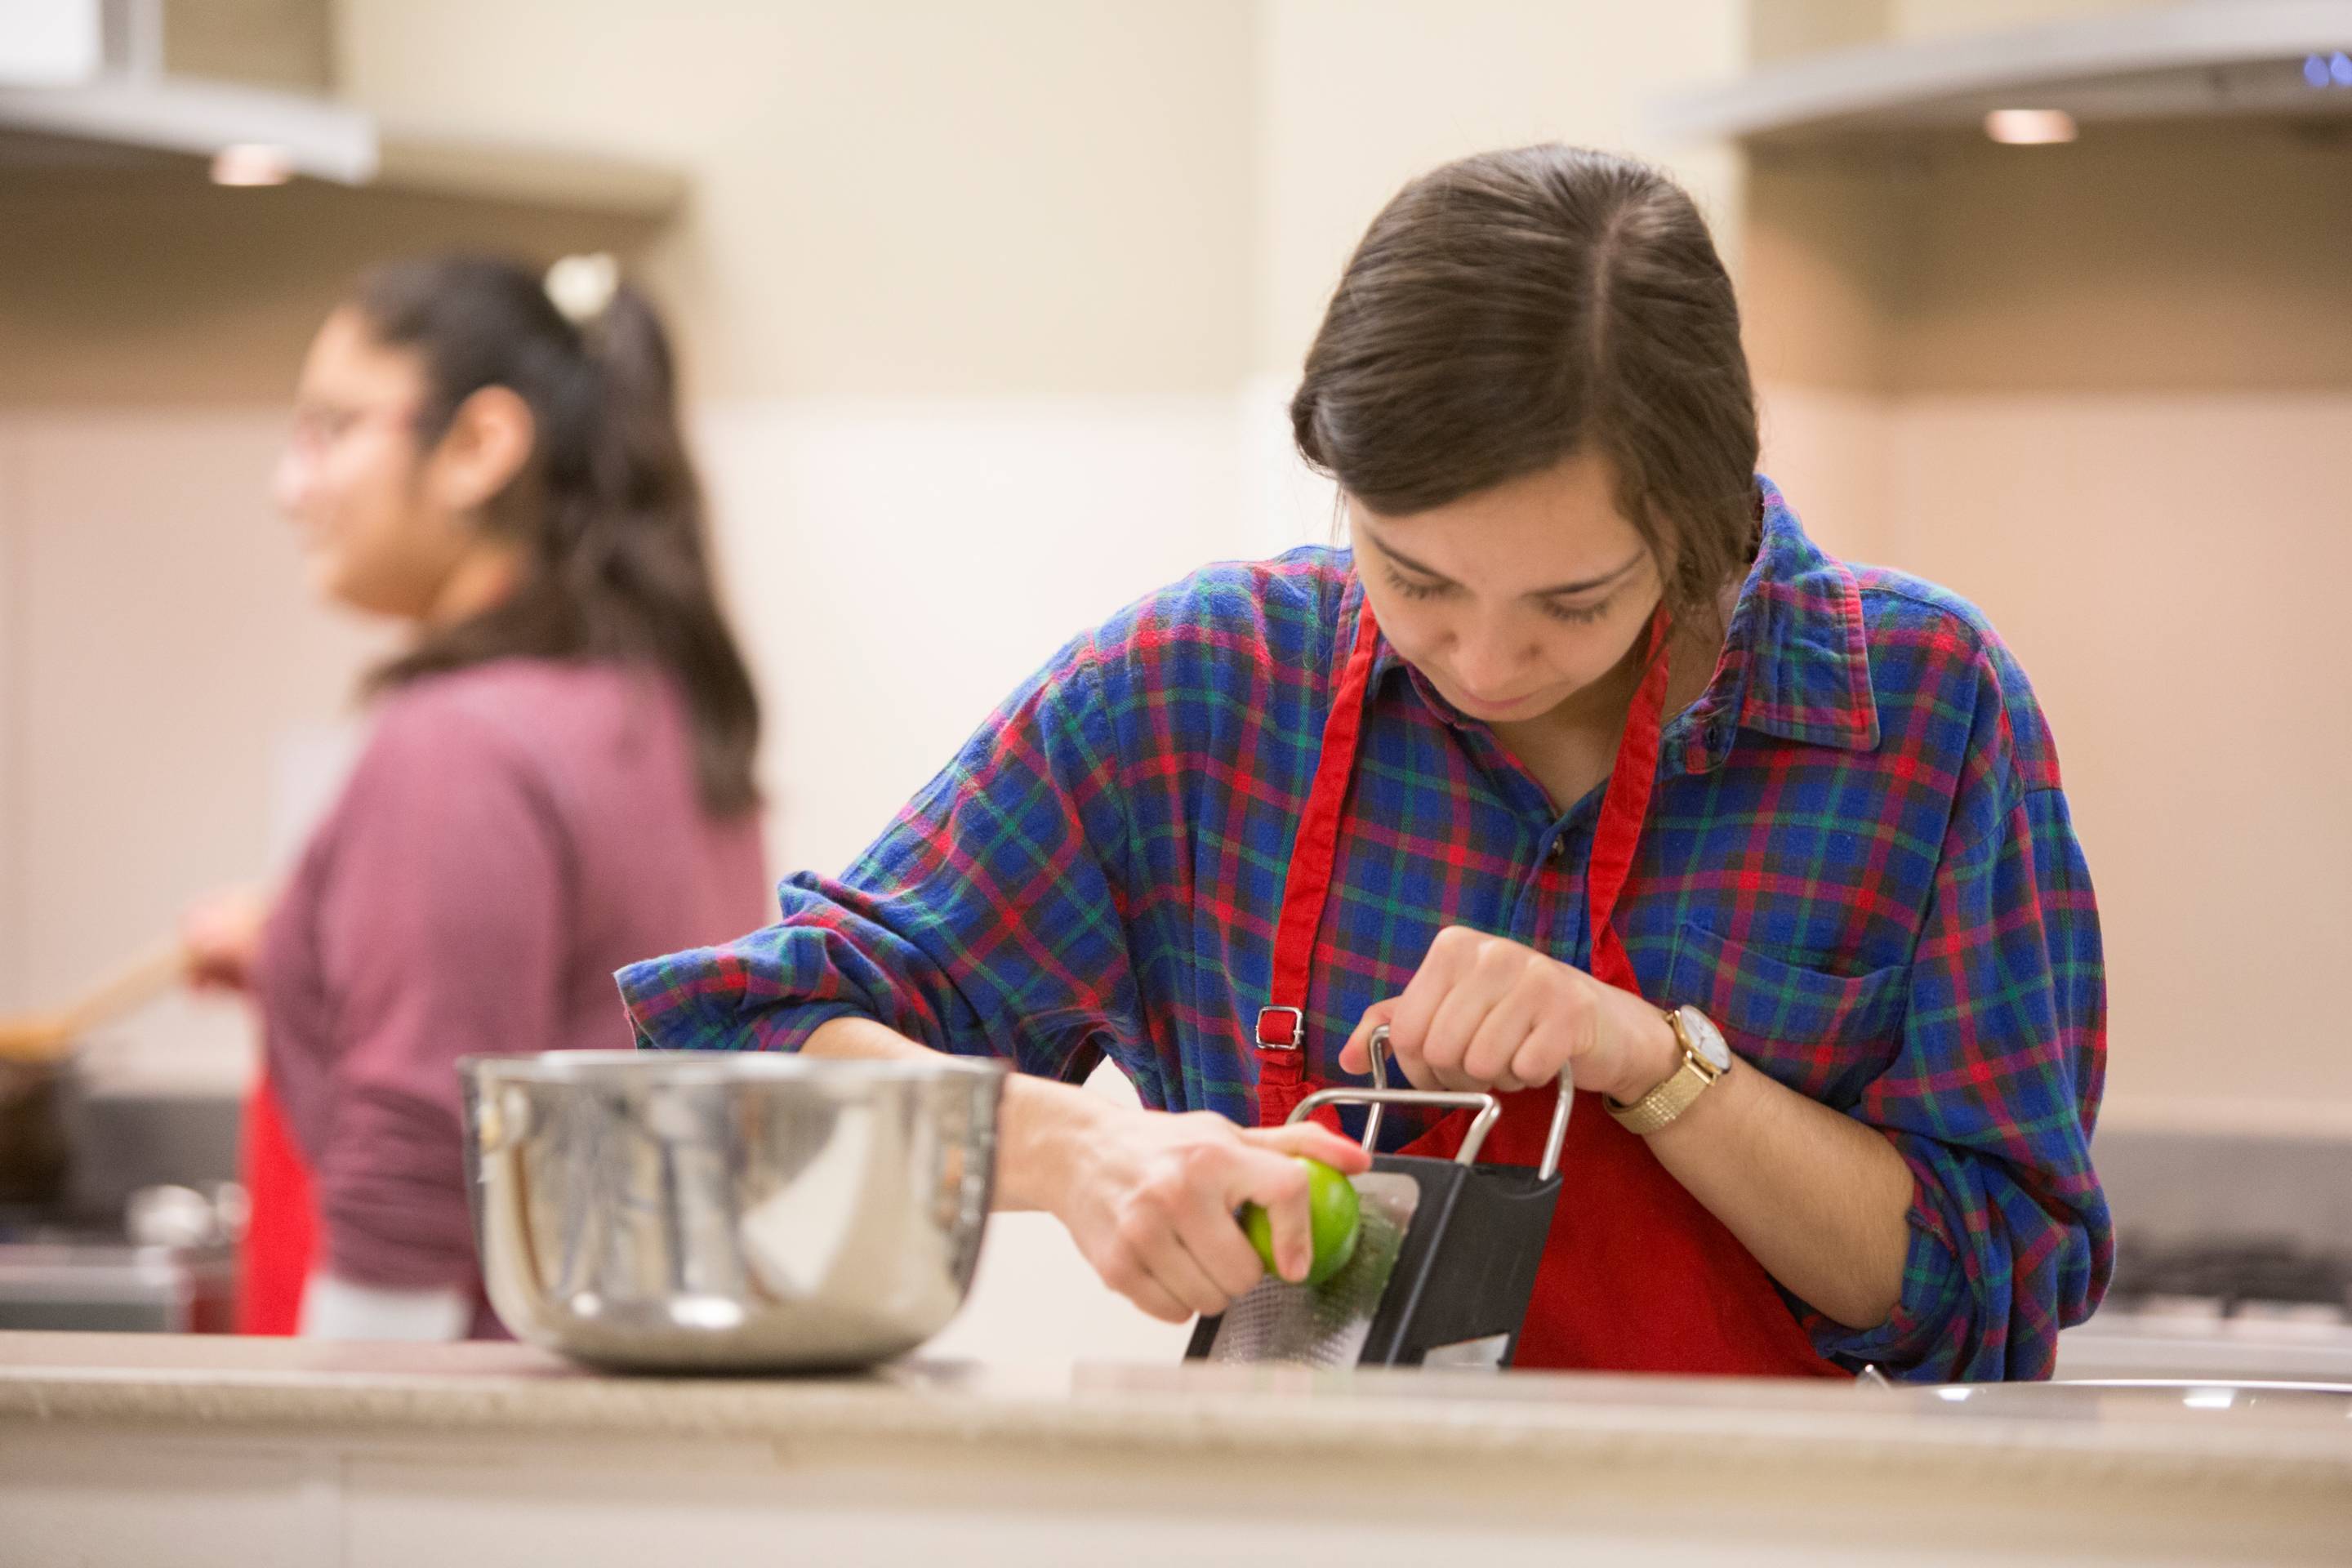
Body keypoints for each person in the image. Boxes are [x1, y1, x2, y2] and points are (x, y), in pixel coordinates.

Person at [617, 147, 2110, 1380]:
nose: (1479, 659)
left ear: (1704, 519)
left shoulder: (1915, 710)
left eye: (1571, 603)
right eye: (1413, 579)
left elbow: (1995, 1295)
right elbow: (744, 1048)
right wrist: (1078, 1149)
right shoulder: (1206, 693)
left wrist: (1660, 1067)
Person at [184, 254, 771, 1340]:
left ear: (480, 446)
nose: (291, 486)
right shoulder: (656, 708)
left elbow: (416, 1175)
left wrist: (335, 1476)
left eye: (333, 428)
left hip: (474, 1464)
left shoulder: (457, 749)